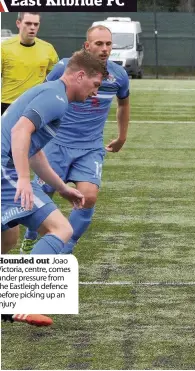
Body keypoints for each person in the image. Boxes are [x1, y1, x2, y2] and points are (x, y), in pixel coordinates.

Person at [1, 50, 105, 327]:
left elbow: (34, 152)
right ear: (80, 75)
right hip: (5, 171)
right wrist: (23, 178)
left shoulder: (52, 93)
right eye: (95, 85)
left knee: (8, 240)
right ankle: (19, 302)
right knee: (61, 229)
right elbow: (19, 132)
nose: (95, 93)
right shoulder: (56, 97)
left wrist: (62, 188)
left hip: (8, 169)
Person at [20, 25, 131, 255]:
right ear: (86, 45)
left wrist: (121, 136)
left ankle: (66, 249)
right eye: (99, 43)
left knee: (89, 197)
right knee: (44, 193)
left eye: (108, 44)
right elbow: (46, 93)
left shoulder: (118, 75)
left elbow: (124, 104)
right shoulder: (65, 66)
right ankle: (30, 236)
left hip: (90, 147)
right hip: (56, 143)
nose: (104, 49)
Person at [1, 12, 58, 114]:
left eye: (36, 24)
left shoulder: (48, 48)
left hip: (35, 106)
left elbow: (55, 77)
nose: (32, 27)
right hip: (8, 105)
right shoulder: (4, 48)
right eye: (28, 23)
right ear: (18, 23)